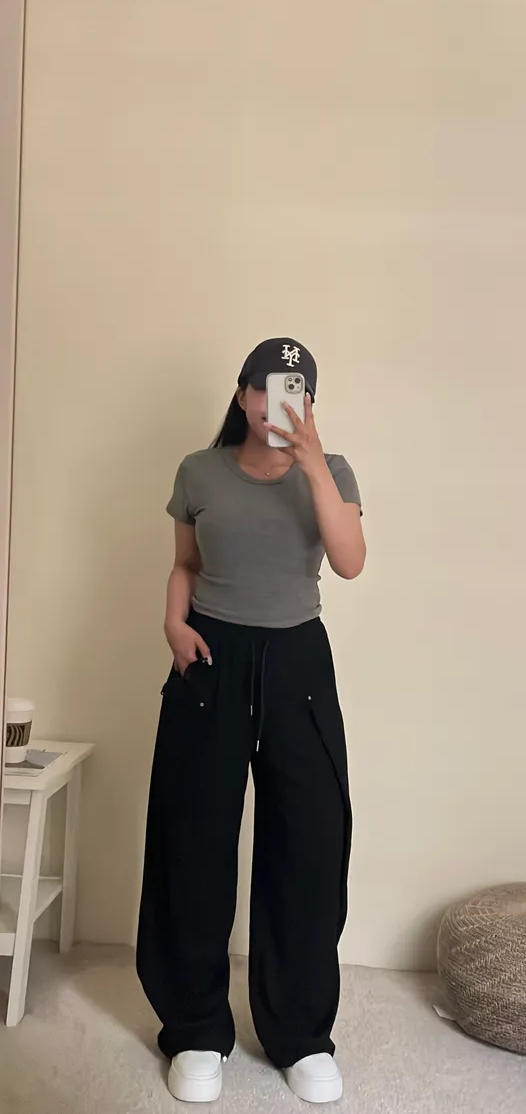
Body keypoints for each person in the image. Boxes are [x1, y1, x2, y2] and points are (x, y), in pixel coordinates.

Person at [137, 338, 365, 1104]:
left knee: (308, 845)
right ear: (241, 395)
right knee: (192, 838)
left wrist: (312, 463)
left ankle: (300, 1033)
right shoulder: (199, 471)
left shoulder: (332, 471)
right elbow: (186, 564)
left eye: (295, 390)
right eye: (265, 387)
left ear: (310, 403)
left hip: (297, 660)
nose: (277, 403)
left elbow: (349, 560)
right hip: (210, 655)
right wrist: (173, 623)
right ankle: (195, 1028)